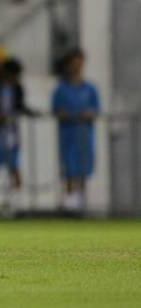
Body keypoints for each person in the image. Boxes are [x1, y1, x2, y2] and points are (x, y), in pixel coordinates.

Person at [0, 58, 36, 215]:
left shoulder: (17, 87)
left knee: (15, 167)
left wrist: (29, 112)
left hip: (11, 134)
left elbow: (20, 105)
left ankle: (18, 205)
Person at [52, 48, 100, 214]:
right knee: (70, 167)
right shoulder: (61, 88)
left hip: (85, 134)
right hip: (68, 133)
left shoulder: (90, 88)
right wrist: (63, 113)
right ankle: (71, 201)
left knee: (84, 166)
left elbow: (95, 110)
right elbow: (56, 109)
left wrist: (89, 114)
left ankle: (81, 201)